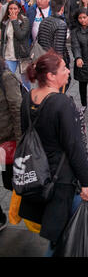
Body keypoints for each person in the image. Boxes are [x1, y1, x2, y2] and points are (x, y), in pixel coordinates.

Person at [19, 50, 88, 255]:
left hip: (38, 175)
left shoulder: (28, 98)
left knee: (56, 232)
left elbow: (24, 133)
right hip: (61, 180)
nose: (68, 71)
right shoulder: (62, 103)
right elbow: (75, 148)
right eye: (63, 68)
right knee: (63, 236)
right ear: (51, 76)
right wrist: (86, 183)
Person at [0, 56, 22, 232]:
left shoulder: (6, 77)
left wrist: (21, 141)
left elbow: (17, 108)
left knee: (10, 181)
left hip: (6, 141)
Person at [0, 0, 30, 89]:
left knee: (25, 80)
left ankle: (27, 97)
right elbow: (3, 39)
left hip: (22, 54)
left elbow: (20, 35)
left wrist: (14, 21)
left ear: (19, 9)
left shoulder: (25, 20)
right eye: (10, 8)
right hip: (9, 54)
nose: (12, 11)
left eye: (15, 8)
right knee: (8, 79)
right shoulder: (5, 21)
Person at [37, 0, 70, 79]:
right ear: (62, 8)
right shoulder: (61, 24)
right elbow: (59, 48)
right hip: (54, 62)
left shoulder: (44, 21)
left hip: (44, 58)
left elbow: (40, 41)